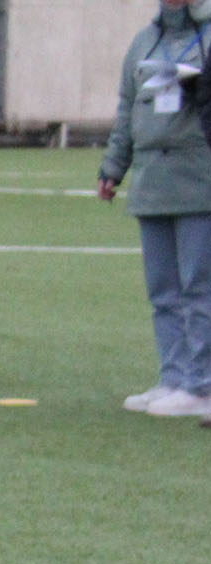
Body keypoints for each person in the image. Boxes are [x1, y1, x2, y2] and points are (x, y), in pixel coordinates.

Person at [100, 0, 211, 418]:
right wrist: (114, 166)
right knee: (163, 290)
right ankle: (174, 376)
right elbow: (127, 108)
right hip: (152, 180)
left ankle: (202, 383)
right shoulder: (144, 41)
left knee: (199, 288)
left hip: (199, 178)